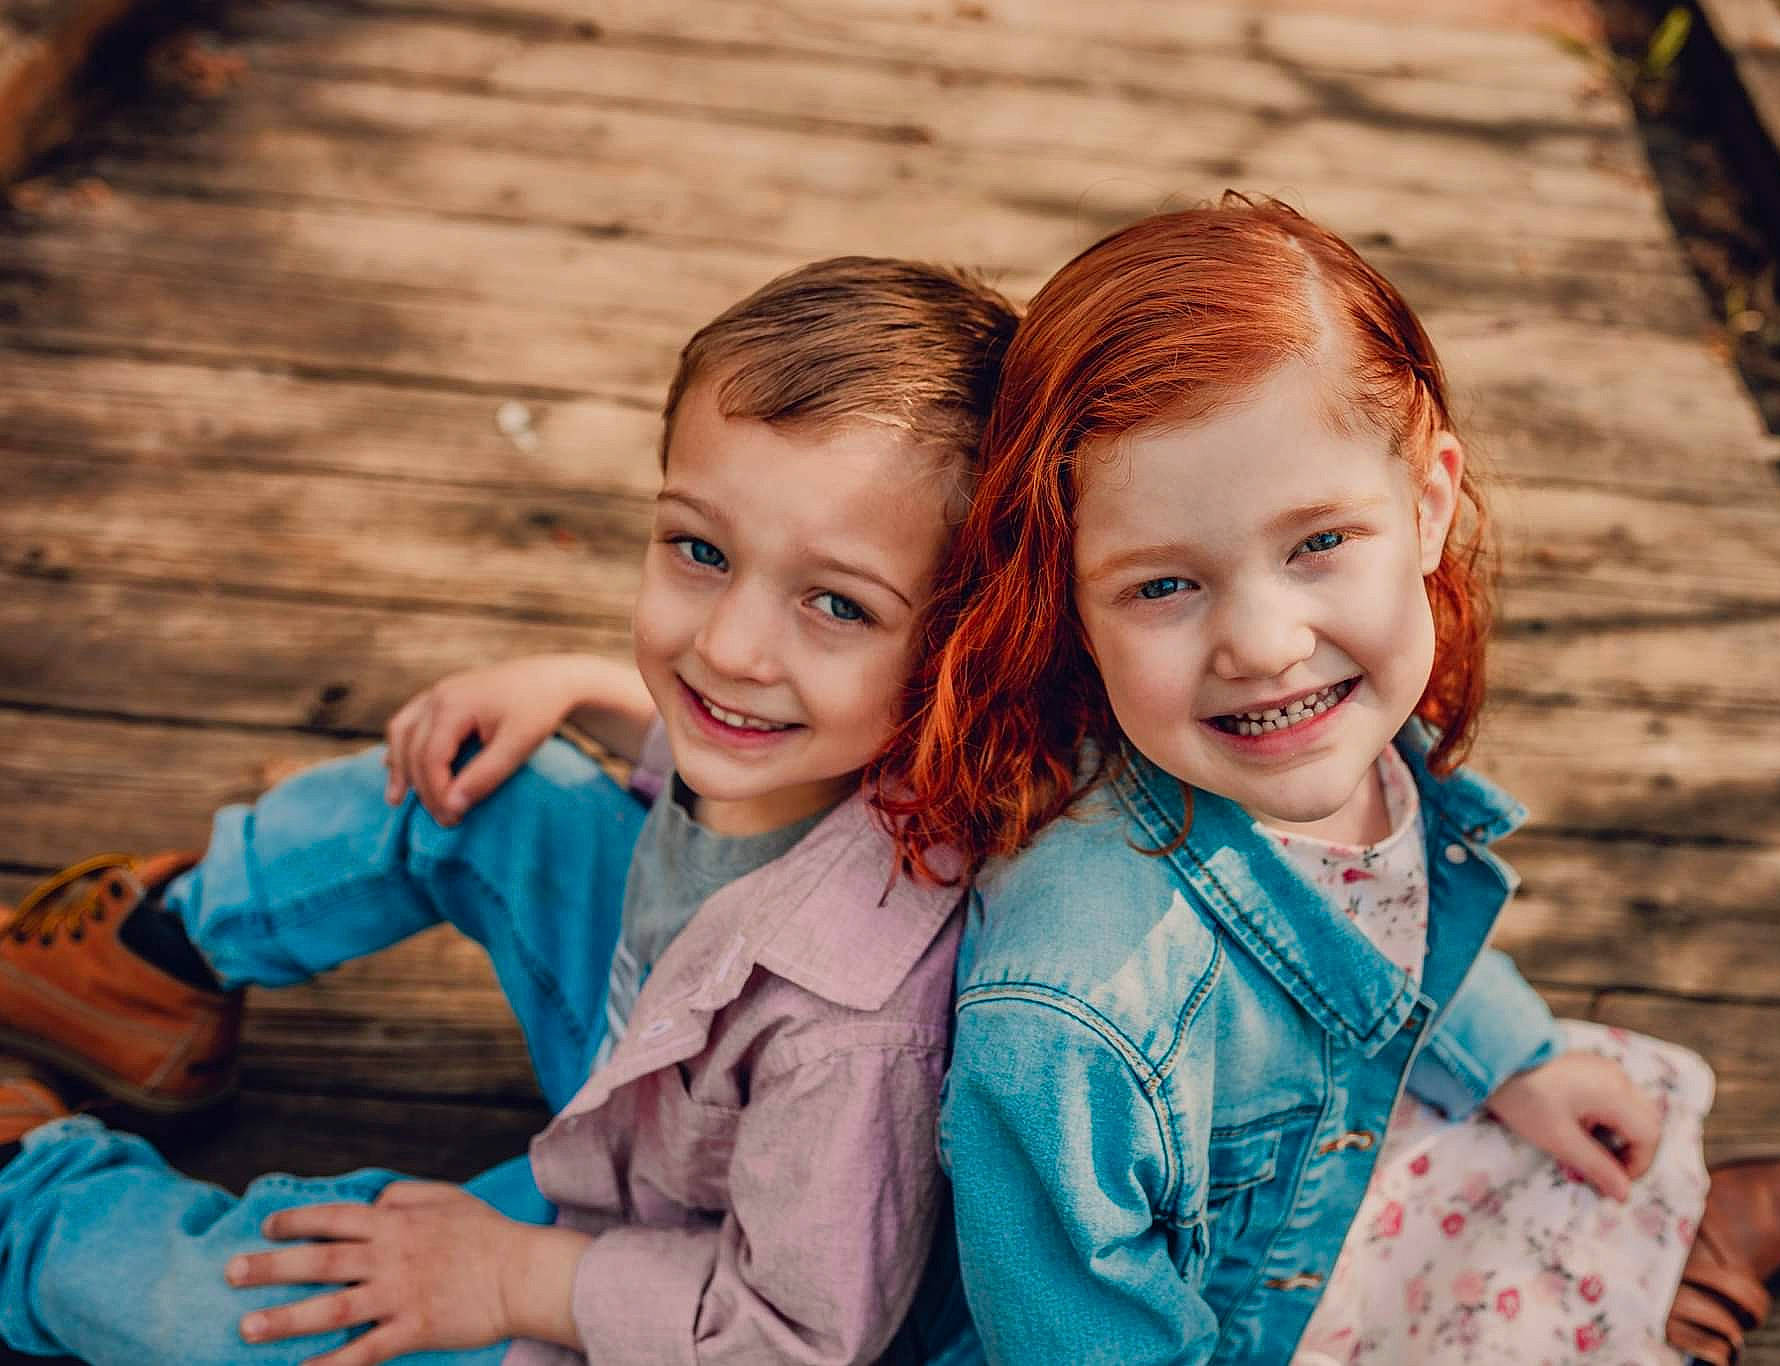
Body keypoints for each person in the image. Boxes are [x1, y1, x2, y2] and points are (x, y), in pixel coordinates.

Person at [882, 198, 1780, 1365]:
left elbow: (1380, 940)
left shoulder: (1330, 735)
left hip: (1338, 1167)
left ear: (1425, 507)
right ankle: (1687, 1281)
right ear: (1068, 601)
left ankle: (1672, 1251)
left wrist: (1508, 1053)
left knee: (1598, 1136)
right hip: (1222, 1325)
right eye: (1162, 584)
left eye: (1316, 543)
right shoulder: (1067, 1012)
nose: (1262, 644)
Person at [0, 255, 1017, 1366]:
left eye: (835, 603)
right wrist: (584, 688)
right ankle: (153, 964)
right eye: (699, 549)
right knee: (483, 769)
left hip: (653, 1251)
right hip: (646, 1051)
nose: (726, 646)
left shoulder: (858, 1039)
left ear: (966, 647)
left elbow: (795, 1335)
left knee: (270, 1312)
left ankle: (31, 1198)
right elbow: (761, 733)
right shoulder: (816, 735)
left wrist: (508, 1275)